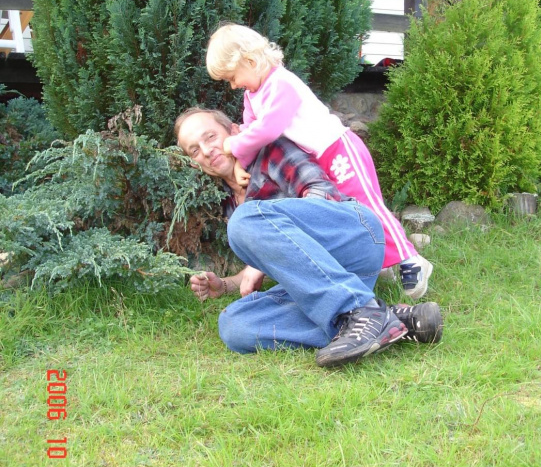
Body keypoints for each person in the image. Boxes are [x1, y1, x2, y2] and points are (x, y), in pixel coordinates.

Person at [175, 107, 443, 368]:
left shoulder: (269, 151)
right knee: (235, 326)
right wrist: (224, 286)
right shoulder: (230, 203)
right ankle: (389, 319)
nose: (206, 150)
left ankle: (359, 311)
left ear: (234, 131)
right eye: (194, 150)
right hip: (336, 280)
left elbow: (321, 193)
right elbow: (290, 263)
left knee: (243, 222)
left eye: (210, 137)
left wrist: (253, 243)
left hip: (353, 234)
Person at [205, 22, 434, 300]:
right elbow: (252, 133)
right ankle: (380, 260)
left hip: (339, 149)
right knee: (346, 212)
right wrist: (241, 161)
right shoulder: (252, 96)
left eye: (232, 77)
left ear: (250, 61)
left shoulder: (281, 83)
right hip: (318, 159)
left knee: (368, 206)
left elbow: (267, 130)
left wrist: (232, 145)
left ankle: (411, 259)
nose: (232, 85)